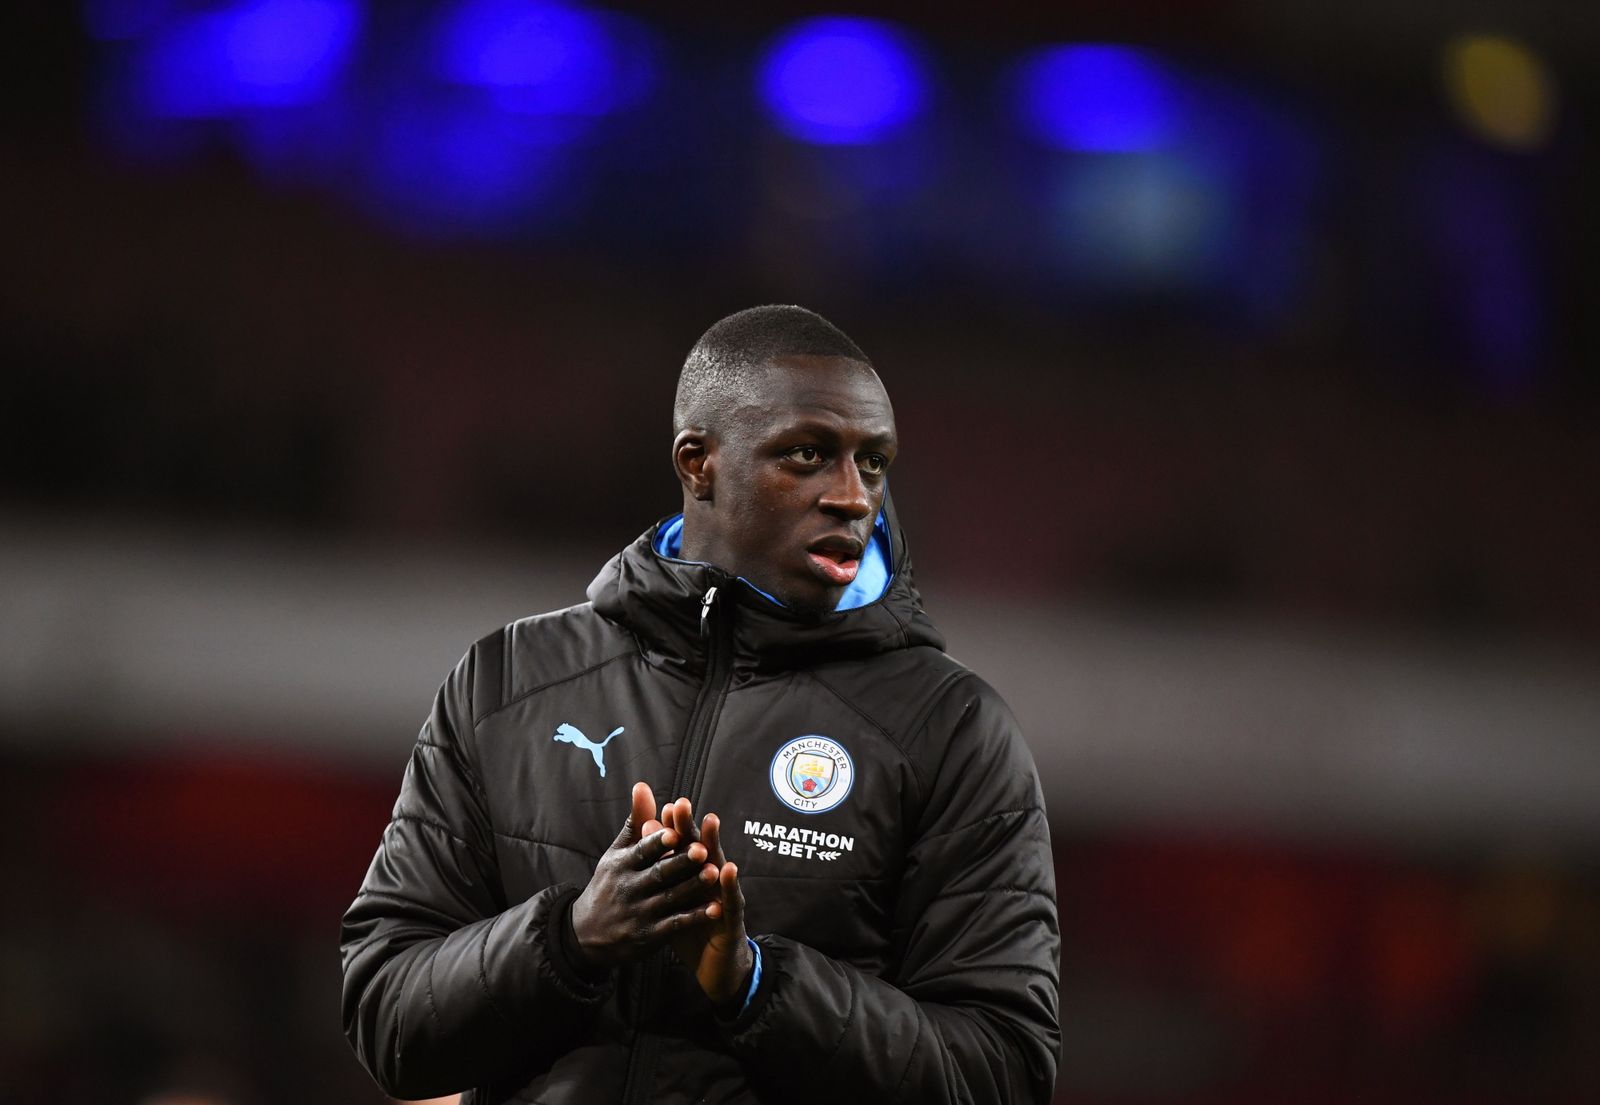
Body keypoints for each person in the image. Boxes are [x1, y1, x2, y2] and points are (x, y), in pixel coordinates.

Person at [340, 305, 1061, 1104]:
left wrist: (755, 984)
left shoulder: (954, 729)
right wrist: (573, 939)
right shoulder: (507, 681)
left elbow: (1003, 1073)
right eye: (811, 454)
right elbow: (388, 1015)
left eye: (875, 462)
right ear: (699, 463)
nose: (855, 497)